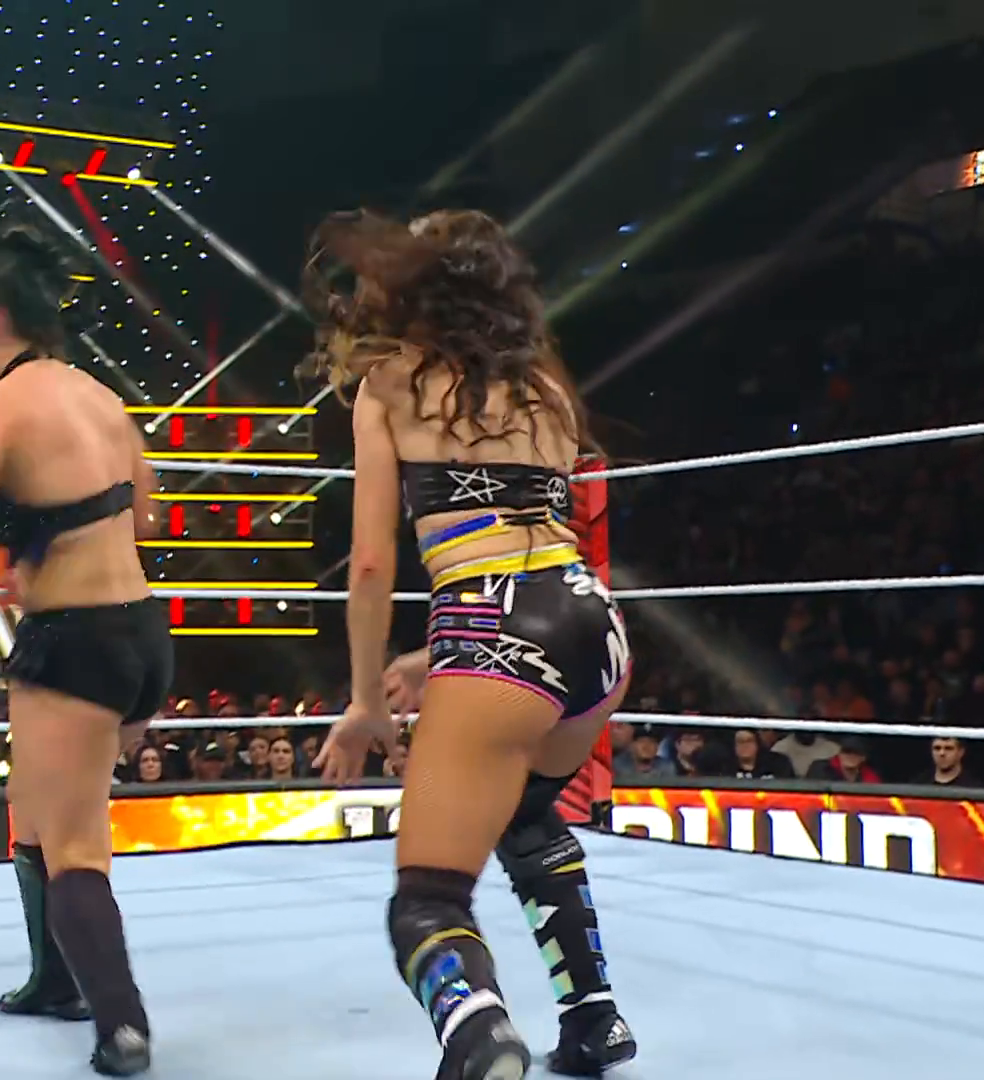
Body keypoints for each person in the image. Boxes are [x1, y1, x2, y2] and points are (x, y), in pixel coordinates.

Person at [308, 209, 636, 1080]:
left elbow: (371, 562)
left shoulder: (392, 383)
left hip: (498, 630)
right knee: (524, 814)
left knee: (426, 903)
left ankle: (479, 1032)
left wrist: (366, 700)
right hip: (592, 627)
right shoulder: (546, 389)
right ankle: (594, 1017)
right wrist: (436, 656)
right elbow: (529, 537)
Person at [0, 227, 171, 1076]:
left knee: (74, 845)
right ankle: (54, 982)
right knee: (35, 806)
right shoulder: (101, 398)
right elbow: (146, 517)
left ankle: (121, 1023)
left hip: (75, 638)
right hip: (142, 630)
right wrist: (44, 530)